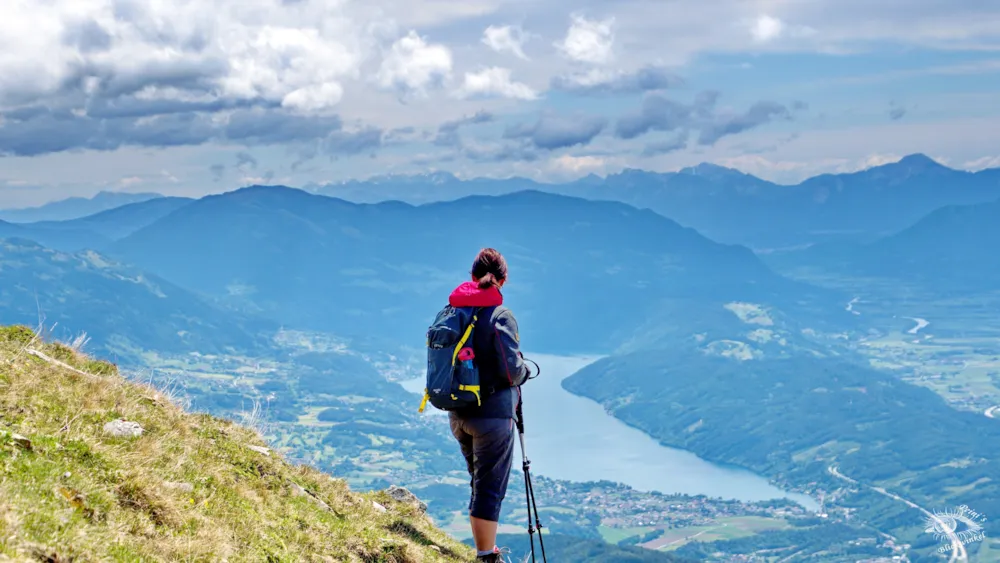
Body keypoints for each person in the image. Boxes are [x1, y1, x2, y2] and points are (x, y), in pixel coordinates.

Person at [446, 248, 530, 563]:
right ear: (503, 281)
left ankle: (484, 550)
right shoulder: (500, 316)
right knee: (490, 487)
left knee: (479, 481)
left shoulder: (454, 312)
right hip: (493, 417)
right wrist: (524, 371)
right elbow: (510, 368)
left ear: (472, 278)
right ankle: (486, 556)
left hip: (458, 414)